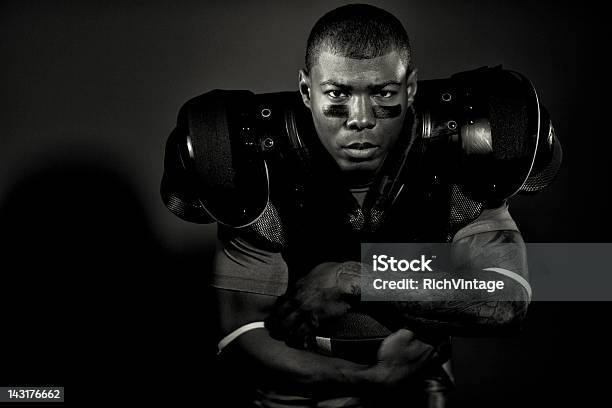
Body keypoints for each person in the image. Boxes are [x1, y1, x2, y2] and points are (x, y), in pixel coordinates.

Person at [163, 4, 544, 407]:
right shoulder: (253, 164)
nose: (360, 119)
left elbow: (505, 302)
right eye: (337, 94)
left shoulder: (462, 154)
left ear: (410, 88)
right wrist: (370, 379)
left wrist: (353, 279)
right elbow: (241, 334)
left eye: (383, 93)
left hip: (417, 390)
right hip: (295, 397)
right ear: (306, 90)